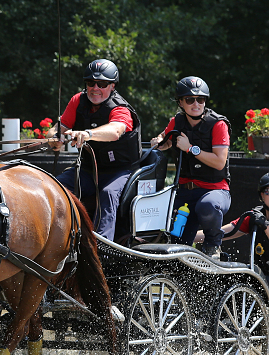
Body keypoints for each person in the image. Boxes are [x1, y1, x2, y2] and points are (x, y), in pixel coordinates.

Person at [53, 58, 142, 240]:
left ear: (112, 86)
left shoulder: (120, 108)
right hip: (88, 171)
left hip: (119, 171)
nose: (95, 88)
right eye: (90, 83)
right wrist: (54, 137)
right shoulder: (78, 100)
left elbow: (115, 131)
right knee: (54, 185)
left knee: (107, 194)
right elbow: (59, 127)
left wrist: (87, 134)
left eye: (102, 83)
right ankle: (56, 236)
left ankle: (102, 246)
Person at [150, 76, 231, 260]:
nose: (196, 104)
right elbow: (166, 139)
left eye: (200, 99)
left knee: (207, 206)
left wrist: (190, 148)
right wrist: (160, 142)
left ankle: (213, 246)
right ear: (180, 102)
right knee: (176, 247)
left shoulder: (218, 124)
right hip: (185, 192)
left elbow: (220, 162)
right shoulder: (176, 121)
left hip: (214, 191)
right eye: (190, 99)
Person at [195, 173, 269, 272]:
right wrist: (188, 238)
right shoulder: (255, 216)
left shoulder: (260, 220)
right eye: (268, 191)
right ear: (262, 195)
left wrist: (264, 225)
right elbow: (221, 233)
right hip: (262, 276)